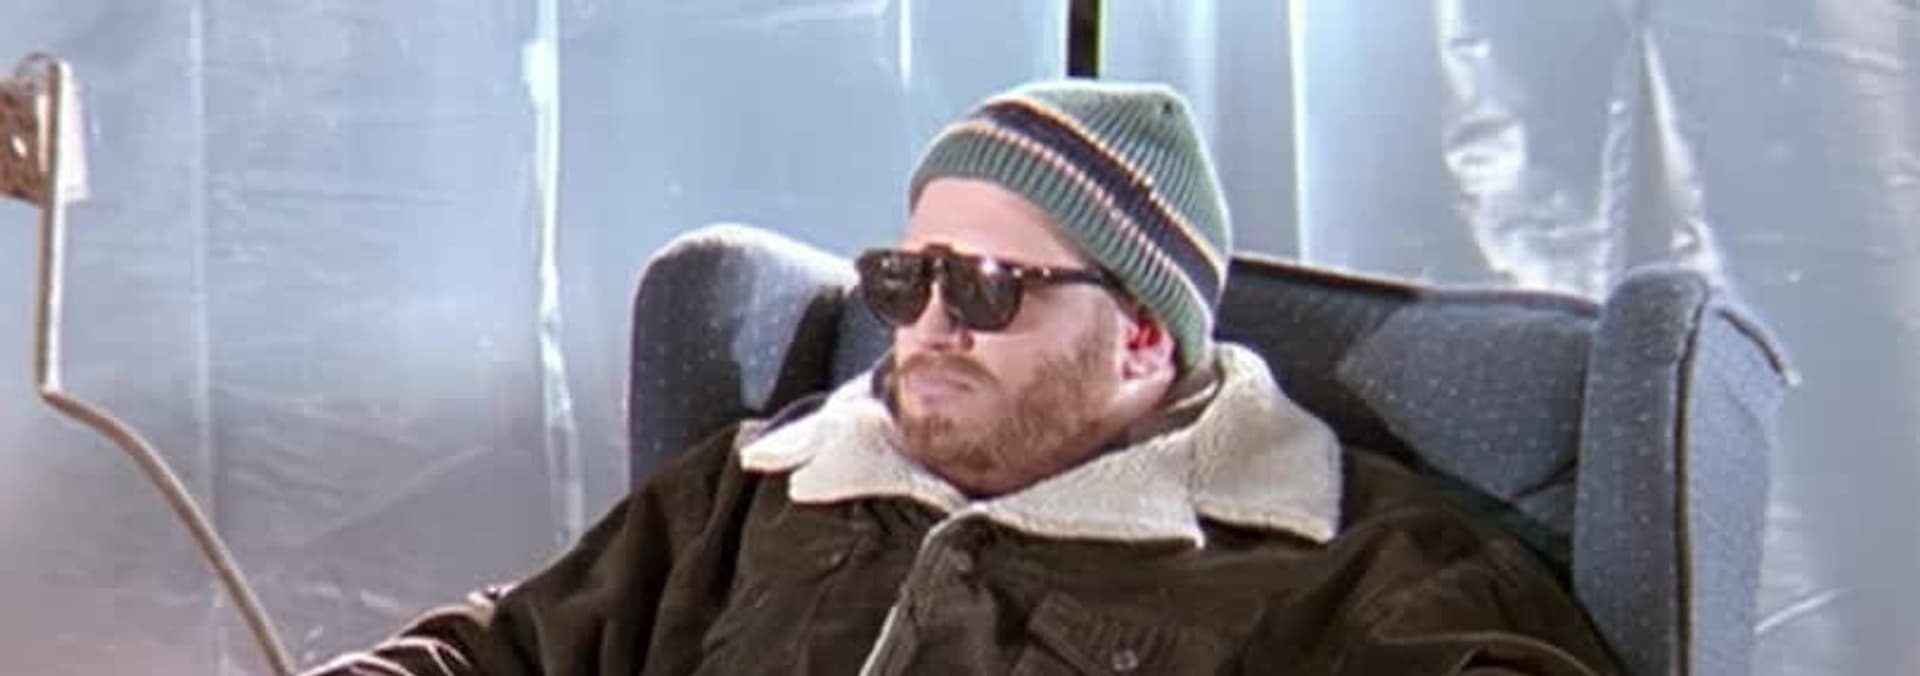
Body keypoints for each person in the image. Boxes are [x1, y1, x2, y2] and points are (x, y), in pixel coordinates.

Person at [306, 80, 1620, 675]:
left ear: (1142, 338)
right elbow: (504, 651)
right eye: (904, 278)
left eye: (988, 289)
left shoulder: (1358, 566)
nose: (928, 327)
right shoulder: (763, 486)